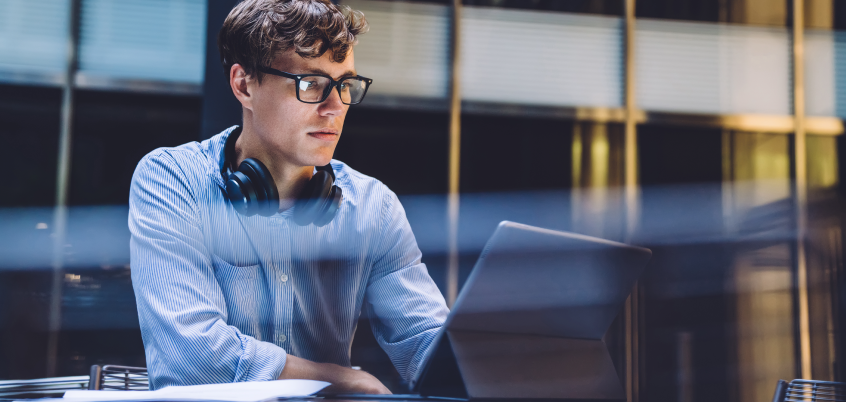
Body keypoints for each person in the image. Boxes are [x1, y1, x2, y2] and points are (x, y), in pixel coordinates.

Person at [128, 0, 448, 394]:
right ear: (244, 85)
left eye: (344, 85)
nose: (335, 108)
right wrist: (345, 380)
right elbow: (194, 355)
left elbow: (428, 345)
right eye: (311, 84)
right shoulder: (172, 180)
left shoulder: (373, 208)